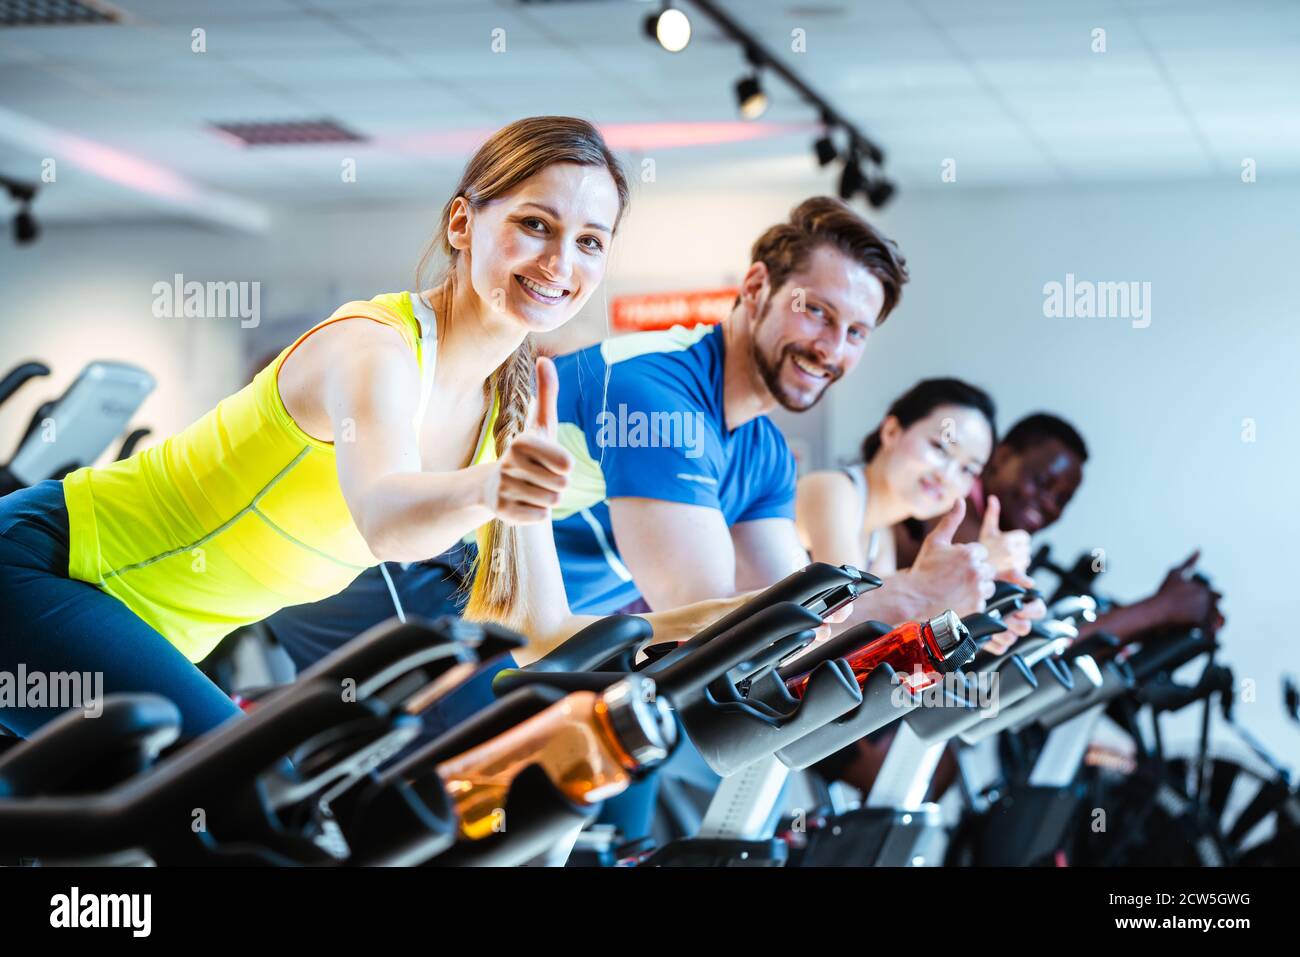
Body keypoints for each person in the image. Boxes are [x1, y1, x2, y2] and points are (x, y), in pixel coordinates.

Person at [0, 116, 744, 741]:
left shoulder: (505, 410)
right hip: (48, 570)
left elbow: (545, 627)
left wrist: (743, 618)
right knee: (250, 803)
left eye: (590, 241)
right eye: (534, 225)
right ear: (463, 221)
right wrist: (491, 486)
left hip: (148, 628)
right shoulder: (374, 348)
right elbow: (388, 518)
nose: (560, 261)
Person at [549, 198, 1024, 635]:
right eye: (816, 312)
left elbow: (800, 622)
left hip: (531, 663)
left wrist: (955, 617)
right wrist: (915, 596)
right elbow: (707, 621)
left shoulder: (765, 454)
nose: (831, 349)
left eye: (856, 332)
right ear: (756, 288)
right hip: (484, 645)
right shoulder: (655, 397)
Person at [893, 412, 1222, 639]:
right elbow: (1034, 652)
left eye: (1062, 500)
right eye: (1041, 482)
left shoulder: (1002, 541)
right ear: (1002, 457)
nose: (1049, 504)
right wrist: (1160, 609)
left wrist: (1157, 613)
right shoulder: (952, 506)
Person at [796, 377, 1039, 656]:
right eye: (940, 448)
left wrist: (981, 607)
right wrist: (973, 567)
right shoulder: (833, 490)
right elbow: (841, 613)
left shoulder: (881, 537)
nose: (946, 476)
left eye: (967, 470)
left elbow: (874, 635)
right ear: (891, 431)